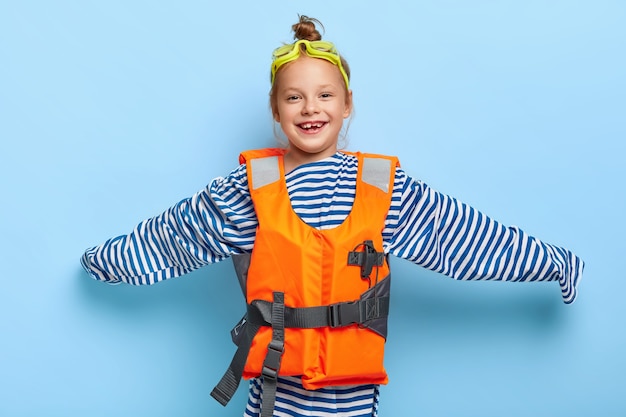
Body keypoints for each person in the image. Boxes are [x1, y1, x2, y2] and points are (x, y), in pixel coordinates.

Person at [81, 15, 584, 417]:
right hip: (276, 389)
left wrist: (553, 261)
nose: (309, 108)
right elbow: (178, 235)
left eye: (324, 95)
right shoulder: (248, 188)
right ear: (276, 111)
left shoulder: (384, 190)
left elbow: (465, 237)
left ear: (347, 106)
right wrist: (105, 259)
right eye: (293, 97)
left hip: (353, 395)